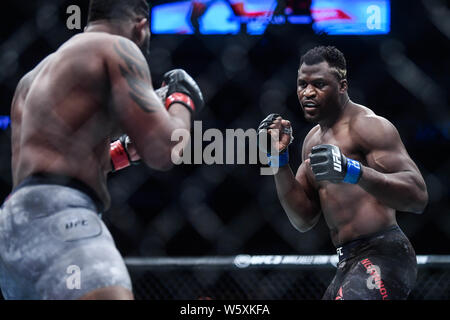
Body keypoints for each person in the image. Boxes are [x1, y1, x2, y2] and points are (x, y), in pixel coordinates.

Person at [0, 0, 204, 300]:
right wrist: (181, 98)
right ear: (141, 26)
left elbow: (53, 165)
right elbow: (166, 149)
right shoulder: (118, 49)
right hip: (63, 220)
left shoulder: (34, 76)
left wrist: (121, 152)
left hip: (12, 228)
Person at [258, 46, 428, 300]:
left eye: (318, 84)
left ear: (342, 85)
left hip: (385, 252)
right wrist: (278, 160)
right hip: (347, 260)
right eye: (302, 84)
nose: (308, 92)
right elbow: (302, 219)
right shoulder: (311, 141)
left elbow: (418, 196)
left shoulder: (368, 126)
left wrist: (353, 171)